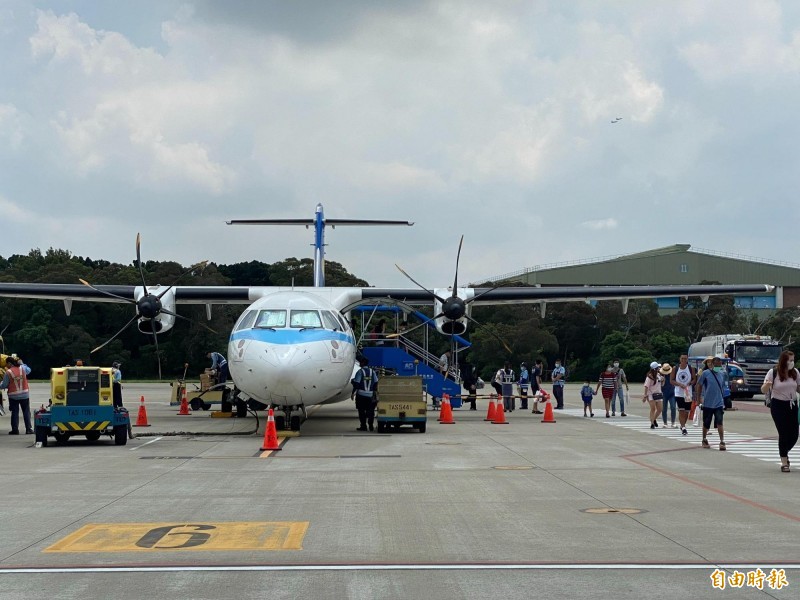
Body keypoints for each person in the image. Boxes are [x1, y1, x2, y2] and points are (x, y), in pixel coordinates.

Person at [761, 350, 800, 472]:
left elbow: (798, 387)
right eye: (790, 360)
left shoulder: (795, 373)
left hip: (792, 404)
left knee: (794, 434)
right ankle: (784, 461)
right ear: (783, 360)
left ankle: (784, 451)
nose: (792, 363)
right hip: (778, 405)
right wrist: (767, 385)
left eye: (793, 360)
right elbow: (763, 389)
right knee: (783, 433)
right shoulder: (773, 372)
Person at [696, 355, 727, 450]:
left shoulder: (722, 374)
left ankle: (722, 441)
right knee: (706, 423)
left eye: (720, 365)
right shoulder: (705, 373)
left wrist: (724, 400)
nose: (718, 367)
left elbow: (722, 387)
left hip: (719, 403)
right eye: (716, 365)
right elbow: (699, 385)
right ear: (712, 365)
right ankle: (704, 439)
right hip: (708, 403)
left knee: (719, 422)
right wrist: (698, 398)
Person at [0, 356, 32, 435]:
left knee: (14, 412)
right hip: (25, 394)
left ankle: (15, 430)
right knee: (26, 412)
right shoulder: (22, 368)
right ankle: (28, 429)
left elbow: (4, 385)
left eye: (7, 364)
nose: (6, 366)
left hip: (13, 396)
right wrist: (22, 363)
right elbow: (29, 370)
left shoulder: (8, 372)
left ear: (9, 363)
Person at [670, 354, 696, 436]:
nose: (684, 360)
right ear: (680, 359)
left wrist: (690, 383)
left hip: (688, 393)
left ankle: (682, 424)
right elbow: (671, 380)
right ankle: (684, 427)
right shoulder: (675, 368)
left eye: (685, 358)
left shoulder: (690, 368)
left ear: (687, 359)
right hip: (679, 393)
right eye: (682, 358)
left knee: (687, 411)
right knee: (681, 410)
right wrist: (679, 384)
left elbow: (694, 379)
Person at [351, 356, 379, 431]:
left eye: (360, 362)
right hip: (370, 395)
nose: (360, 363)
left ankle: (363, 426)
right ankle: (371, 426)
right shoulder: (372, 371)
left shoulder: (360, 372)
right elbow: (376, 382)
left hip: (361, 395)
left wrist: (353, 392)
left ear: (363, 363)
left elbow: (356, 384)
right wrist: (374, 392)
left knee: (361, 411)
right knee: (371, 412)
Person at [111, 361, 135, 439]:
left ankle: (114, 406)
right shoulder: (118, 371)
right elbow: (118, 379)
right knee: (118, 397)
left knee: (113, 398)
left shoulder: (110, 370)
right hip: (116, 385)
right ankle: (120, 406)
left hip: (111, 386)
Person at [643, 361, 664, 429]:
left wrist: (663, 380)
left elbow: (662, 384)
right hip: (651, 394)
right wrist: (645, 395)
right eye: (658, 367)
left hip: (658, 393)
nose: (659, 368)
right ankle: (652, 423)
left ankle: (654, 419)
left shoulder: (659, 375)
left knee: (660, 409)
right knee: (653, 408)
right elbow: (646, 386)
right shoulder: (649, 377)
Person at [660, 363, 677, 428]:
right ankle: (665, 422)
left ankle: (673, 422)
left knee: (673, 407)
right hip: (664, 393)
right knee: (664, 409)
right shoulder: (661, 376)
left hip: (672, 393)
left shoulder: (672, 374)